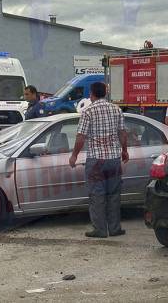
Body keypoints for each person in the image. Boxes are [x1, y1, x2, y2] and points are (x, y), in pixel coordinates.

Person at [69, 82, 129, 238]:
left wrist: (74, 155)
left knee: (97, 195)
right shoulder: (116, 110)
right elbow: (123, 133)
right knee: (114, 194)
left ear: (92, 94)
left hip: (96, 160)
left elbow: (81, 136)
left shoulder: (88, 111)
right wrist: (124, 151)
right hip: (114, 159)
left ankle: (100, 230)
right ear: (105, 93)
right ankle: (115, 228)